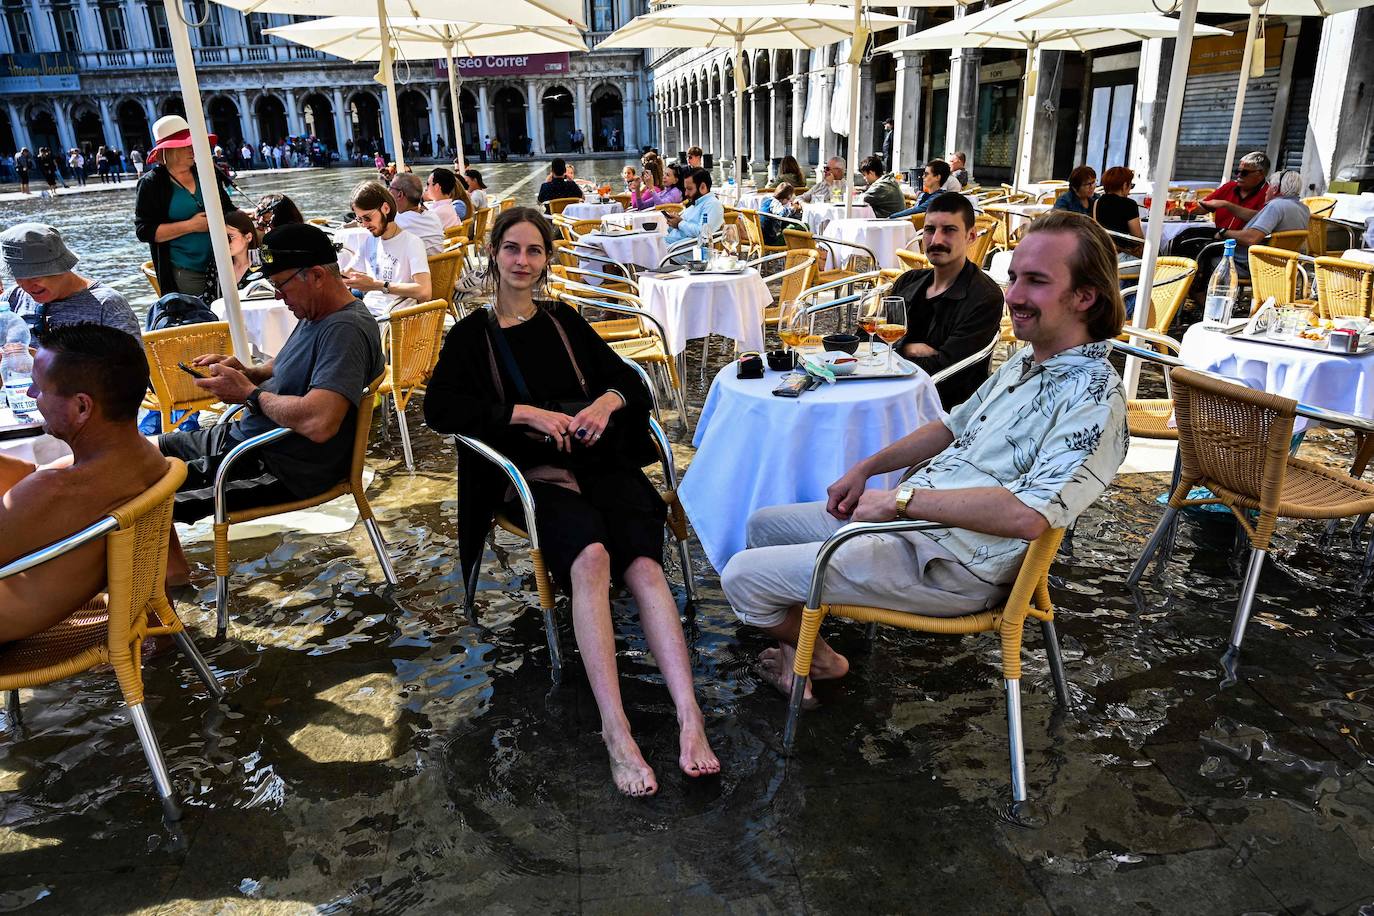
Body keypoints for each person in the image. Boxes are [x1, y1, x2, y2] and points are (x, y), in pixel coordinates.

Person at [720, 210, 1128, 704]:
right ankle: (802, 651)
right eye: (1014, 276)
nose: (1014, 295)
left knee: (741, 576)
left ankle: (821, 661)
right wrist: (865, 469)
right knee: (764, 525)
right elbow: (950, 425)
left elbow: (1028, 516)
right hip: (916, 530)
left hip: (954, 566)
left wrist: (900, 501)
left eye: (1036, 281)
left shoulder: (1094, 399)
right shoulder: (1030, 359)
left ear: (1085, 297)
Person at [422, 207, 720, 796]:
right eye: (512, 249)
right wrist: (523, 413)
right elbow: (440, 410)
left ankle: (690, 715)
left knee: (643, 564)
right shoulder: (470, 335)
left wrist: (604, 405)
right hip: (533, 478)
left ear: (546, 260)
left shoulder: (563, 320)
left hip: (600, 464)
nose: (523, 262)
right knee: (591, 559)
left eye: (534, 252)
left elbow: (628, 379)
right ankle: (616, 730)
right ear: (494, 253)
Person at [158, 223, 385, 566]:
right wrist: (247, 372)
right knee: (136, 456)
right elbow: (283, 366)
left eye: (280, 285)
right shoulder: (317, 314)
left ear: (317, 276)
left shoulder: (344, 329)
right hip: (245, 440)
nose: (278, 295)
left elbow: (320, 421)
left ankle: (162, 594)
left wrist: (249, 394)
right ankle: (169, 583)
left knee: (141, 497)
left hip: (279, 465)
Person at [0, 324, 170, 643]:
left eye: (38, 387)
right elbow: (33, 476)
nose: (29, 395)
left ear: (81, 407)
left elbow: (37, 490)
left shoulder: (53, 491)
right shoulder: (149, 462)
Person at [887, 194, 1004, 408]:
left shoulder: (984, 296)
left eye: (949, 230)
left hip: (940, 410)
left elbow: (948, 370)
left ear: (971, 236)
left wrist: (894, 350)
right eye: (930, 230)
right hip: (887, 392)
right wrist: (909, 349)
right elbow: (868, 340)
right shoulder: (907, 282)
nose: (936, 240)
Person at [134, 116, 236, 299]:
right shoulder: (151, 184)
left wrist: (253, 215)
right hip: (184, 271)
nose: (193, 149)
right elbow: (144, 231)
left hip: (225, 262)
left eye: (193, 143)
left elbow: (228, 210)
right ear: (169, 150)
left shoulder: (206, 171)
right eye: (186, 145)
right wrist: (191, 225)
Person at [0, 223, 141, 338]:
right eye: (18, 276)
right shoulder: (13, 298)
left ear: (60, 267)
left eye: (34, 276)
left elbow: (134, 369)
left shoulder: (107, 305)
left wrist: (41, 364)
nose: (26, 285)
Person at [338, 180, 432, 318]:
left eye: (367, 218)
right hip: (368, 316)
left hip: (394, 321)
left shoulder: (412, 242)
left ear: (386, 208)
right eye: (359, 219)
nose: (364, 225)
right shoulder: (370, 241)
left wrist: (377, 285)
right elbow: (346, 274)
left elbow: (425, 291)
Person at [1211, 169, 1311, 279]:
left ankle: (1201, 294)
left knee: (1202, 253)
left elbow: (1251, 238)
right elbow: (1258, 217)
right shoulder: (1303, 209)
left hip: (1248, 264)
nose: (1266, 191)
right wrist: (1228, 205)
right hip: (1280, 264)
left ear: (1274, 189)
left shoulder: (1276, 206)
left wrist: (1224, 232)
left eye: (1268, 187)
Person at [1199, 150, 1273, 232]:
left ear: (1260, 174)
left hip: (1243, 241)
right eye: (1237, 171)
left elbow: (1261, 218)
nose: (1239, 175)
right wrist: (1184, 208)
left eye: (1244, 173)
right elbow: (1203, 208)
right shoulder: (1230, 186)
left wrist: (1227, 205)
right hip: (1219, 236)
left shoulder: (1269, 193)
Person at [389, 172, 446, 255]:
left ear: (400, 194)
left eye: (390, 188)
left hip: (413, 267)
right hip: (442, 266)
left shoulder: (396, 223)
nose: (388, 191)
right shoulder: (434, 217)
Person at [1093, 166, 1143, 259]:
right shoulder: (1129, 204)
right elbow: (1138, 237)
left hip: (1101, 256)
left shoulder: (1097, 202)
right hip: (1121, 258)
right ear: (1124, 185)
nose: (1130, 191)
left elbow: (1098, 230)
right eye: (1130, 185)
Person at [664, 168, 724, 246]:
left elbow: (703, 233)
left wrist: (679, 223)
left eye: (689, 189)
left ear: (703, 187)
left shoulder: (712, 204)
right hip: (674, 246)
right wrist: (673, 223)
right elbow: (675, 231)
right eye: (685, 189)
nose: (685, 193)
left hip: (682, 250)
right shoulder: (693, 205)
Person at [859, 155, 905, 219]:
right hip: (895, 220)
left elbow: (861, 200)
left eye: (864, 175)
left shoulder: (881, 186)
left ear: (871, 173)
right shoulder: (888, 181)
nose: (864, 178)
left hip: (888, 224)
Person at [223, 210, 261, 288]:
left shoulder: (264, 263)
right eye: (222, 236)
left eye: (231, 236)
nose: (225, 241)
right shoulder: (218, 266)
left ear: (248, 237)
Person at [759, 182, 802, 247]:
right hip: (771, 240)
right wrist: (794, 208)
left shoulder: (767, 199)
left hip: (761, 237)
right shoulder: (775, 203)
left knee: (790, 225)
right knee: (804, 226)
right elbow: (782, 213)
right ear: (787, 197)